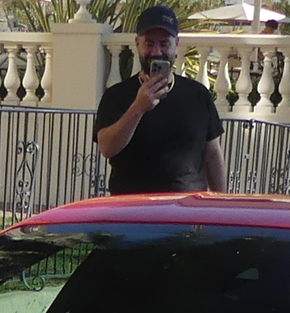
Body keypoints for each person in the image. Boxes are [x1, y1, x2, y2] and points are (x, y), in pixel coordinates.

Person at [94, 6, 226, 196]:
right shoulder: (117, 95)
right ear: (137, 44)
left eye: (164, 44)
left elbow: (212, 154)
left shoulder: (198, 94)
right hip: (132, 211)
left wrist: (220, 203)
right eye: (149, 43)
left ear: (176, 45)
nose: (156, 52)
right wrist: (138, 109)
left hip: (187, 210)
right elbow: (107, 148)